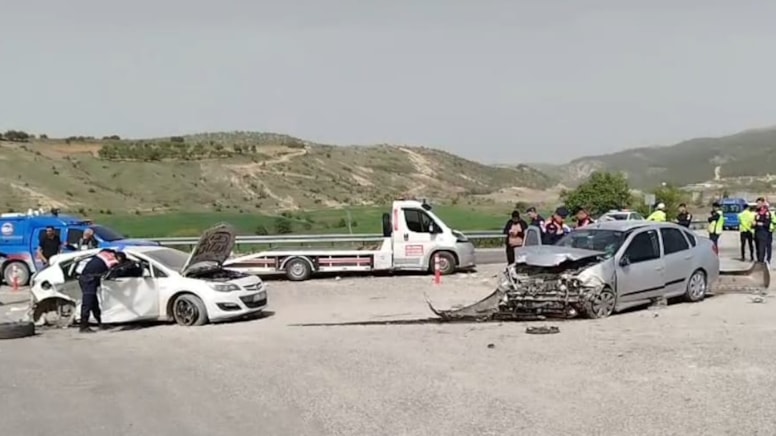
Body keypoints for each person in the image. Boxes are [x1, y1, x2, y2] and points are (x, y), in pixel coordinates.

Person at [753, 197, 772, 262]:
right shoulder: (757, 212)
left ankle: (761, 262)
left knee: (761, 249)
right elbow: (755, 221)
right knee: (757, 249)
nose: (757, 204)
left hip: (763, 233)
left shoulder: (766, 213)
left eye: (759, 203)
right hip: (757, 232)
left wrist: (759, 223)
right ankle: (758, 260)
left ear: (763, 203)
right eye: (757, 203)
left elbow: (767, 223)